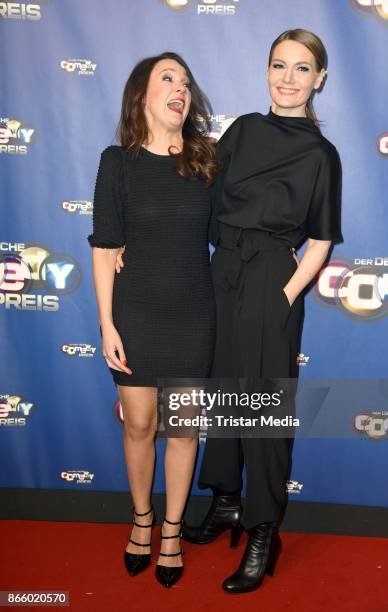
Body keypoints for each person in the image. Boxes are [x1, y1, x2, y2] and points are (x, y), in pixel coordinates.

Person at [180, 28, 343, 594]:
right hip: (221, 269)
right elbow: (201, 198)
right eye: (279, 65)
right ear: (266, 70)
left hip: (273, 277)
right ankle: (225, 500)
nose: (288, 78)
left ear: (319, 79)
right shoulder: (243, 130)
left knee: (264, 408)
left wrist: (285, 294)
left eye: (302, 68)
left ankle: (262, 530)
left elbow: (321, 240)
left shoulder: (321, 155)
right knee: (225, 391)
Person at [87, 52, 216, 588]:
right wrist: (107, 325)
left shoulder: (208, 160)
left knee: (183, 429)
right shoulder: (117, 163)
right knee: (139, 424)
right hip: (135, 313)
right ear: (141, 94)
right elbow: (104, 248)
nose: (180, 89)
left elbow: (238, 224)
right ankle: (141, 520)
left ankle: (170, 531)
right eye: (168, 78)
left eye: (185, 81)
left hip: (194, 314)